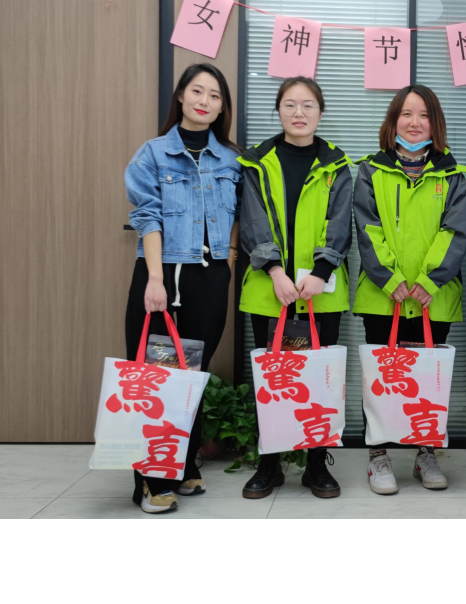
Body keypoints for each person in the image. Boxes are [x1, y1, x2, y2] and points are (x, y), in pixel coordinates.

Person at [124, 63, 243, 514]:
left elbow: (238, 214)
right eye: (197, 91)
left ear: (222, 107)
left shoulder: (230, 159)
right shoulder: (153, 154)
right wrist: (155, 279)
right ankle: (150, 480)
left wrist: (228, 258)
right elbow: (147, 216)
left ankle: (184, 462)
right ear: (180, 96)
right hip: (164, 273)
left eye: (215, 95)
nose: (205, 101)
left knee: (194, 374)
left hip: (210, 277)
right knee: (158, 378)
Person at [237, 76, 353, 500]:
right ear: (278, 110)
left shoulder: (336, 164)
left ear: (320, 112)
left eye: (308, 105)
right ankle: (269, 464)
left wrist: (321, 272)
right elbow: (252, 219)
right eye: (289, 104)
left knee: (320, 380)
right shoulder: (256, 161)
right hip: (269, 289)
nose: (299, 113)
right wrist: (274, 271)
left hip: (320, 290)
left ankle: (316, 465)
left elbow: (341, 221)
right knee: (273, 380)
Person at [353, 84, 466, 495]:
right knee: (381, 380)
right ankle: (378, 456)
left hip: (432, 298)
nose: (414, 123)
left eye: (423, 115)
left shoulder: (453, 175)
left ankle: (425, 453)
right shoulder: (370, 170)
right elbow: (367, 228)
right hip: (382, 297)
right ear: (393, 121)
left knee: (427, 381)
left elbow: (455, 231)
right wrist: (391, 279)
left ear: (435, 123)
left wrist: (428, 280)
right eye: (406, 114)